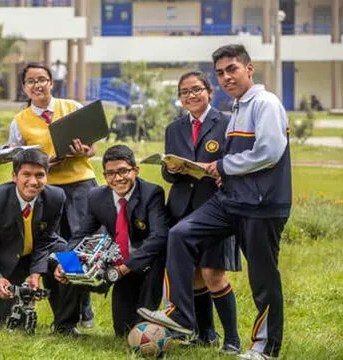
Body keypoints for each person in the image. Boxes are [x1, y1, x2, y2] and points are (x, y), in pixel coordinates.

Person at [138, 44, 292, 360]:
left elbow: (269, 153)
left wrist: (222, 167)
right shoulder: (238, 108)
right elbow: (238, 159)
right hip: (231, 201)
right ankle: (182, 315)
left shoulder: (265, 103)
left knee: (263, 279)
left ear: (249, 68)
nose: (226, 77)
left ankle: (266, 348)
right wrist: (226, 174)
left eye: (232, 69)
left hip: (261, 206)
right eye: (221, 72)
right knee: (180, 235)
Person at [8, 62, 96, 328]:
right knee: (58, 247)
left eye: (42, 79)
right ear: (24, 87)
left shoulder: (71, 107)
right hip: (47, 190)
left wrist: (82, 150)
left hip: (81, 185)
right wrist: (43, 163)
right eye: (31, 81)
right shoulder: (19, 121)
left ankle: (85, 304)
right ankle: (72, 308)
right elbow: (17, 158)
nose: (37, 85)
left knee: (81, 246)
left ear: (51, 83)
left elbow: (91, 148)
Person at [162, 70, 241, 355]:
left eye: (196, 89)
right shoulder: (174, 129)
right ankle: (204, 334)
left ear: (209, 92)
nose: (191, 95)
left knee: (213, 273)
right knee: (194, 274)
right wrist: (170, 169)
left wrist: (222, 171)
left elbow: (237, 163)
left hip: (217, 207)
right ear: (180, 99)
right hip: (182, 208)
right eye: (185, 92)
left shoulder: (228, 123)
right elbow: (168, 174)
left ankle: (232, 338)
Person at [55, 144, 168, 337]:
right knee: (122, 331)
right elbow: (82, 233)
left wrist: (125, 268)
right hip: (114, 258)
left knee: (138, 331)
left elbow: (159, 237)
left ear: (136, 170)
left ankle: (152, 317)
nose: (118, 178)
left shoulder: (152, 193)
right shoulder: (96, 196)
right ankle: (64, 327)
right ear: (105, 176)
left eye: (123, 171)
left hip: (144, 263)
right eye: (111, 173)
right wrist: (63, 261)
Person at [0, 149, 81, 335]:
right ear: (14, 176)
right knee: (15, 327)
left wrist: (36, 273)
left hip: (40, 249)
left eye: (40, 175)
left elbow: (47, 238)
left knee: (71, 260)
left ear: (47, 176)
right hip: (7, 259)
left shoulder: (57, 197)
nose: (33, 181)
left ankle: (66, 326)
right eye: (26, 175)